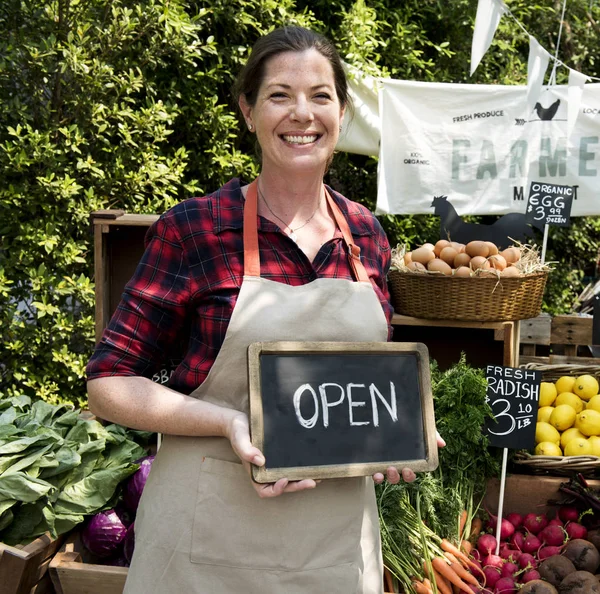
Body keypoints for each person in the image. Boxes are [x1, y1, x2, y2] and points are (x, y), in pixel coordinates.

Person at [86, 25, 440, 594]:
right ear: (248, 111)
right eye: (280, 95)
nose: (303, 114)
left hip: (335, 552)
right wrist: (230, 421)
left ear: (342, 113)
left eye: (321, 96)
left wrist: (395, 437)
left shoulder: (368, 236)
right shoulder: (194, 229)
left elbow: (353, 393)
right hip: (205, 545)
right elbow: (109, 383)